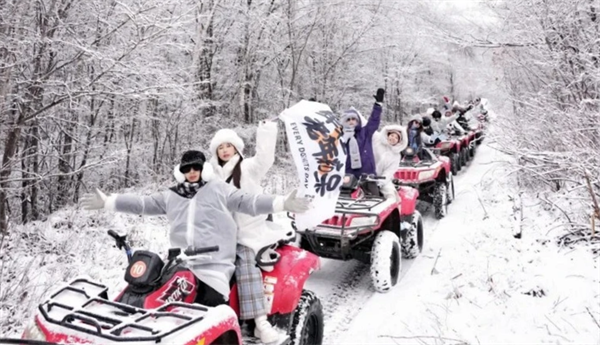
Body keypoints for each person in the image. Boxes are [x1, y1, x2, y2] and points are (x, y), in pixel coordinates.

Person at [80, 150, 310, 331]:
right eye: (187, 168)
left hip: (215, 264)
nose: (192, 172)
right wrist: (110, 201)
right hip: (180, 263)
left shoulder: (219, 190)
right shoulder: (171, 195)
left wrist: (281, 203)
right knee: (150, 299)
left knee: (206, 310)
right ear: (180, 171)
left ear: (204, 169)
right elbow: (142, 204)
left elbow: (248, 201)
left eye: (196, 167)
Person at [202, 120, 284, 343]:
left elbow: (265, 159)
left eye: (228, 145)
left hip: (248, 232)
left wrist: (266, 131)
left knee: (245, 263)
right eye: (220, 147)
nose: (225, 150)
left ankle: (260, 322)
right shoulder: (212, 177)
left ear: (236, 148)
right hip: (221, 235)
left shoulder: (248, 168)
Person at [340, 88, 385, 178]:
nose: (351, 121)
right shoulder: (340, 137)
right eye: (348, 119)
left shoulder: (365, 132)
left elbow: (374, 121)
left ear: (358, 121)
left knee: (374, 192)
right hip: (347, 174)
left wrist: (378, 106)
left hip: (366, 173)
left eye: (353, 119)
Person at [372, 125, 408, 200]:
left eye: (396, 138)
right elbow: (367, 126)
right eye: (392, 135)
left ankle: (392, 210)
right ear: (388, 135)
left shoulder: (396, 156)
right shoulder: (377, 140)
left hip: (381, 178)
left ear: (399, 141)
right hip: (363, 174)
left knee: (391, 195)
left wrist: (380, 183)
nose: (393, 138)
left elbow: (389, 172)